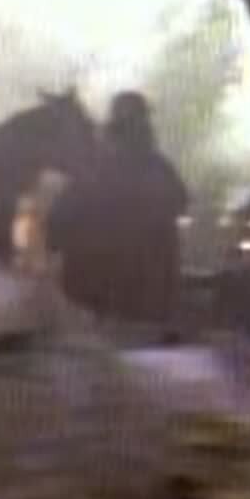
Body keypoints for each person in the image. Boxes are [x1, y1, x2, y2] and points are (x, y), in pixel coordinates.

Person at [52, 92, 190, 331]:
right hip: (134, 291)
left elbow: (61, 217)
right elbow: (179, 202)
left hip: (114, 292)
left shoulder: (99, 168)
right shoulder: (155, 167)